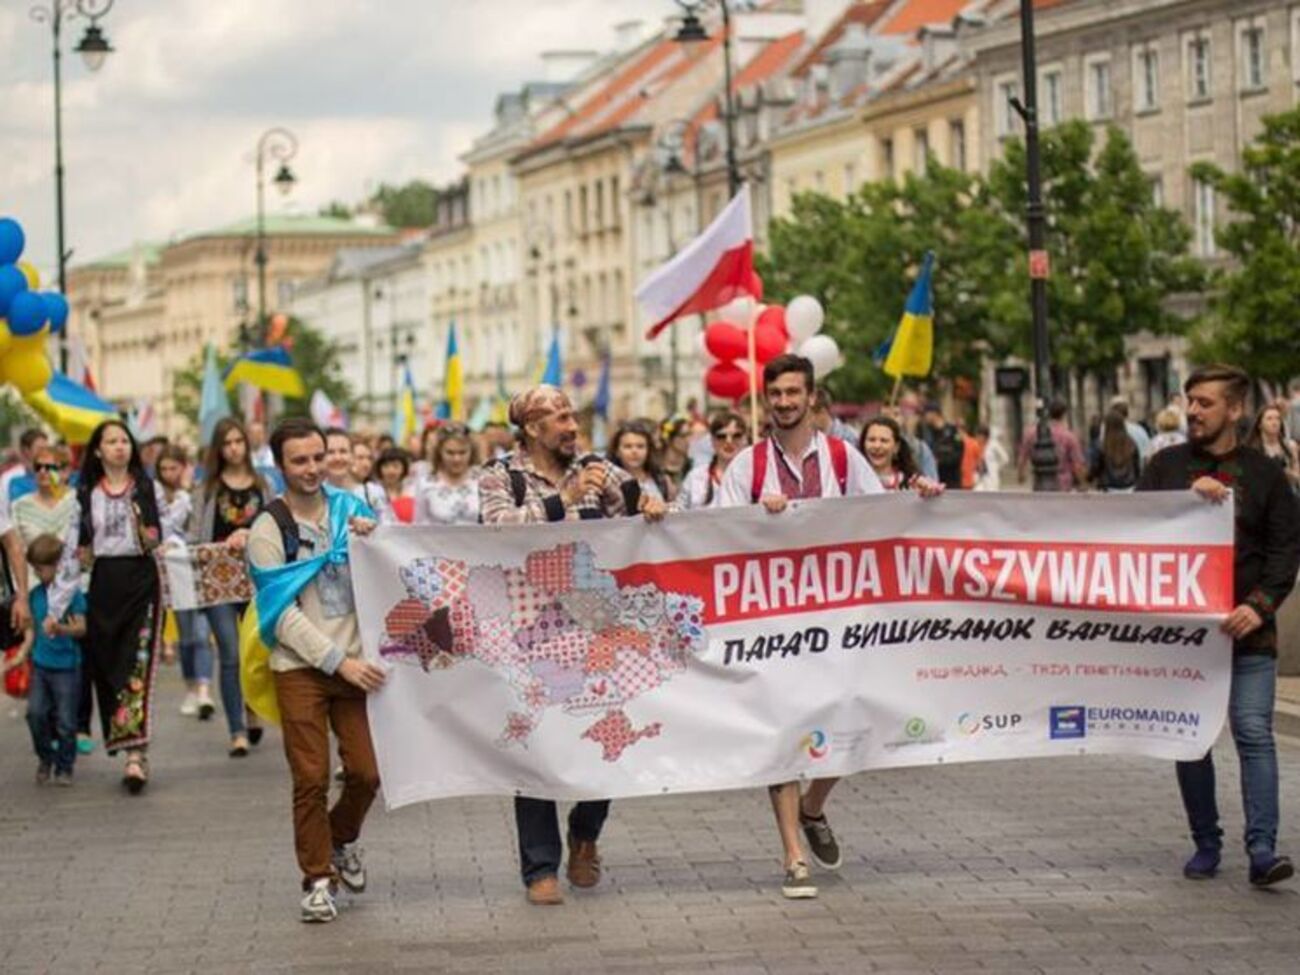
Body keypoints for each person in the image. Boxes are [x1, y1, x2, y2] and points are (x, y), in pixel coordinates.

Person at [719, 355, 931, 900]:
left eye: (794, 393)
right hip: (771, 621)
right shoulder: (747, 466)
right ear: (766, 399)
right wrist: (751, 520)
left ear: (812, 397)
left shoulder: (843, 458)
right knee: (782, 731)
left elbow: (885, 515)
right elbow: (715, 533)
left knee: (854, 715)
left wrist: (922, 501)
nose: (785, 403)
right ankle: (792, 854)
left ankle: (814, 808)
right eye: (776, 394)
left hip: (839, 621)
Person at [479, 384, 666, 906]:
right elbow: (497, 529)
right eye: (558, 418)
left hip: (595, 629)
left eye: (572, 416)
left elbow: (641, 512)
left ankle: (586, 832)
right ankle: (540, 866)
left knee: (606, 734)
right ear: (532, 428)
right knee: (533, 748)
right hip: (529, 636)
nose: (570, 426)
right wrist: (564, 500)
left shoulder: (598, 469)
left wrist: (648, 503)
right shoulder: (501, 477)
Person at [1138, 364, 1300, 888]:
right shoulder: (1166, 466)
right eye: (1190, 401)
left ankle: (1263, 849)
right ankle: (1206, 842)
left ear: (1234, 409)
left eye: (1205, 403)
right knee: (1193, 739)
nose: (1193, 411)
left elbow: (1284, 549)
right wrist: (1185, 500)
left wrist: (1260, 604)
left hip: (1249, 629)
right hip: (1185, 638)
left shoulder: (1265, 474)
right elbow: (1129, 533)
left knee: (1253, 732)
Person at [246, 417, 385, 923]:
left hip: (357, 665)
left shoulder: (354, 511)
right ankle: (317, 878)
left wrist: (375, 542)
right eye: (299, 460)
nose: (311, 469)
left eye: (317, 457)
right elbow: (278, 615)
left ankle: (341, 838)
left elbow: (391, 573)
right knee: (310, 777)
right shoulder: (268, 528)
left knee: (367, 774)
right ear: (280, 466)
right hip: (301, 666)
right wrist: (337, 661)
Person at [48, 420, 182, 793]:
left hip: (142, 581)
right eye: (112, 442)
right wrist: (55, 607)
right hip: (105, 584)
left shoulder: (146, 488)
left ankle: (136, 755)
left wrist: (171, 548)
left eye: (125, 440)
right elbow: (74, 551)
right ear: (97, 450)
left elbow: (168, 532)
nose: (120, 447)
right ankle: (124, 742)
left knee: (137, 663)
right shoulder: (86, 492)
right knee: (109, 669)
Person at [189, 418, 270, 755]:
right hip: (216, 579)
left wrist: (251, 535)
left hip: (255, 577)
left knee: (256, 650)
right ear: (218, 449)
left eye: (239, 441)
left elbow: (273, 527)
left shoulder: (263, 484)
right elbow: (196, 535)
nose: (235, 448)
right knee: (230, 653)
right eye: (228, 443)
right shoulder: (207, 488)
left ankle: (253, 708)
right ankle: (236, 728)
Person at [5, 533, 87, 785]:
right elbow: (32, 632)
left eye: (42, 569)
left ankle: (65, 766)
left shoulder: (71, 594)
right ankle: (45, 756)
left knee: (65, 721)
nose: (38, 574)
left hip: (66, 668)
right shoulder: (35, 596)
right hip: (40, 666)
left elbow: (82, 628)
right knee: (35, 714)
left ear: (58, 565)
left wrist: (62, 629)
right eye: (35, 570)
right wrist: (19, 656)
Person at [155, 445, 216, 722]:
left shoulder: (195, 494)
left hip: (198, 567)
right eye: (164, 468)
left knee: (202, 633)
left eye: (173, 467)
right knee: (186, 635)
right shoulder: (154, 497)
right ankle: (190, 686)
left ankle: (204, 689)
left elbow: (200, 527)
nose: (169, 474)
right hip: (172, 573)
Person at [679, 411, 748, 509]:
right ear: (712, 440)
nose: (729, 441)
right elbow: (678, 511)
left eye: (736, 436)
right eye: (721, 436)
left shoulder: (757, 476)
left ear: (745, 439)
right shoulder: (695, 477)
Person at [416, 424, 481, 525]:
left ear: (471, 452)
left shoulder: (483, 480)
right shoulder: (426, 484)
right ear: (439, 453)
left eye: (462, 452)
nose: (457, 459)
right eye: (450, 453)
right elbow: (418, 525)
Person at [1017, 400, 1087, 491]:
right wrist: (1083, 484)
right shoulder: (1069, 436)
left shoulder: (1031, 433)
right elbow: (1077, 465)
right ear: (1063, 415)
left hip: (1040, 482)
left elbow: (1022, 457)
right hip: (1063, 485)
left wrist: (1021, 475)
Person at [609, 420, 673, 505]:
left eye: (640, 446)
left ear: (648, 450)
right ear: (617, 451)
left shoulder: (662, 480)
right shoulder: (609, 482)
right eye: (628, 446)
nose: (634, 451)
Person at [1245, 403, 1300, 492]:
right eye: (1269, 419)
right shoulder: (1252, 449)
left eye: (1278, 418)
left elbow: (1297, 476)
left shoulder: (1290, 446)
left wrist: (1286, 473)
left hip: (1287, 495)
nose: (1274, 422)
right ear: (1259, 424)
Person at [0, 428, 50, 523]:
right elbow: (3, 514)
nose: (45, 452)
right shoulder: (9, 478)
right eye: (40, 449)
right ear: (26, 450)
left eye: (47, 448)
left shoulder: (52, 475)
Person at [858, 415, 919, 491]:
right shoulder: (853, 480)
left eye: (884, 440)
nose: (877, 446)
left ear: (896, 447)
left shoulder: (910, 483)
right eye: (872, 440)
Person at [1090, 410, 1142, 492]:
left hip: (1109, 487)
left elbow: (1096, 468)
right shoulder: (1131, 444)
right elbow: (1137, 468)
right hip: (1130, 486)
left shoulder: (1103, 445)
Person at [919, 402, 965, 490]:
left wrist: (939, 461)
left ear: (934, 414)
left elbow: (958, 456)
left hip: (951, 484)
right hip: (933, 483)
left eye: (926, 414)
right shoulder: (927, 433)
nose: (924, 417)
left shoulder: (953, 432)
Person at [370, 447, 414, 524]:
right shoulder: (373, 491)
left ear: (403, 468)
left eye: (395, 466)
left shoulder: (411, 490)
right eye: (386, 466)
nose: (390, 471)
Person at [659, 416, 693, 492]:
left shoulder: (693, 466)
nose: (688, 440)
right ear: (668, 439)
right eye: (683, 436)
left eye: (689, 434)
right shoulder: (655, 468)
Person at [974, 425, 1010, 492]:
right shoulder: (976, 445)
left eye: (979, 436)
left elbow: (1005, 458)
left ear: (985, 436)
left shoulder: (993, 444)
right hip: (980, 478)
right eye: (977, 435)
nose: (978, 438)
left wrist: (996, 467)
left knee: (991, 497)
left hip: (991, 478)